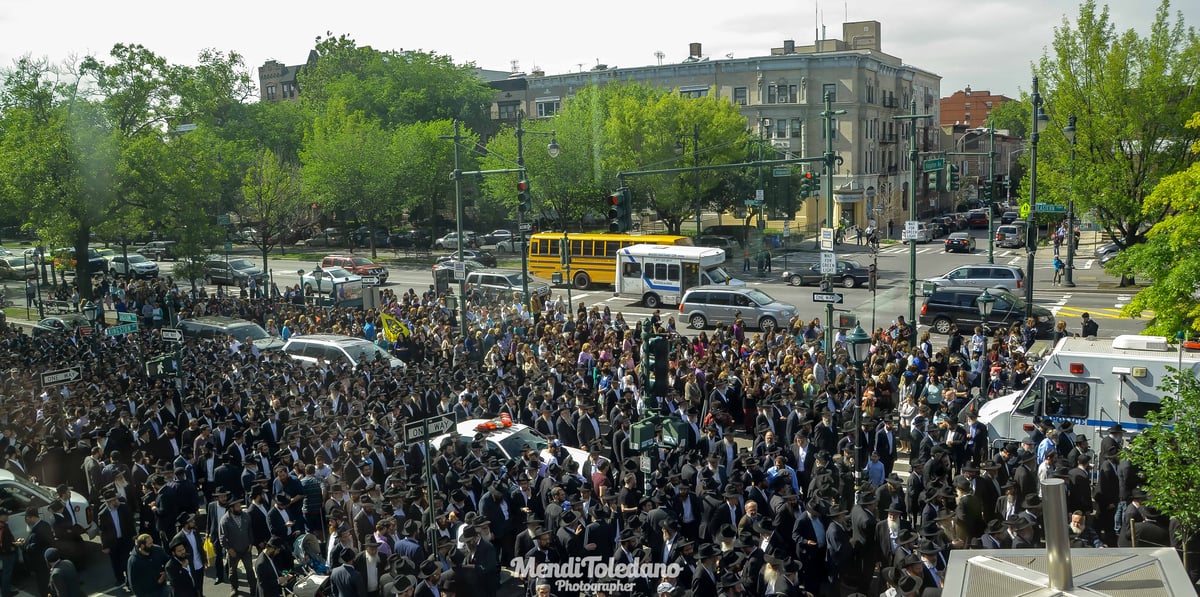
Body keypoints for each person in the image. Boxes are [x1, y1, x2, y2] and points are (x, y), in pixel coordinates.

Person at [0, 508, 16, 597]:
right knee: (7, 573)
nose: (8, 517)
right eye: (6, 515)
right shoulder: (3, 527)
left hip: (3, 553)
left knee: (5, 573)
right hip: (7, 554)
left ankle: (5, 592)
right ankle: (6, 593)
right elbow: (4, 541)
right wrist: (11, 548)